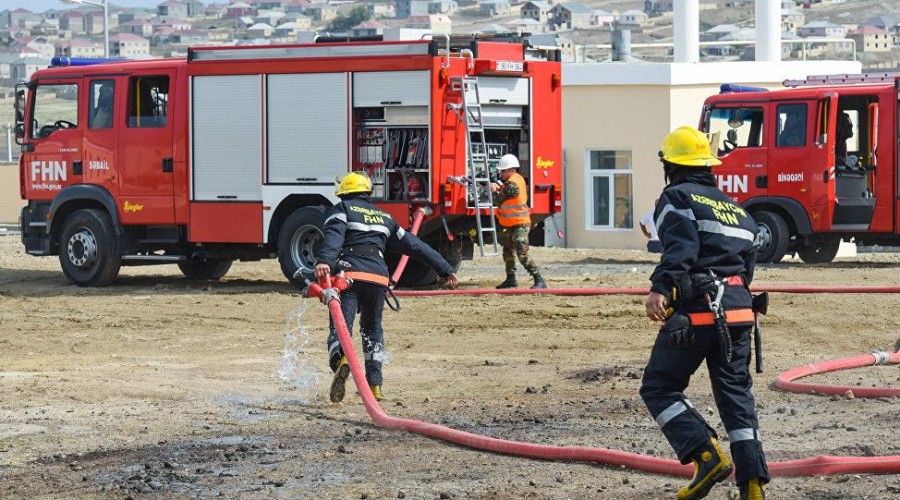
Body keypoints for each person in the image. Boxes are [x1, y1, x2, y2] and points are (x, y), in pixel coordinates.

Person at [640, 126, 768, 500]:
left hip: (698, 313)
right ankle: (754, 485)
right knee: (736, 397)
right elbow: (746, 271)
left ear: (670, 165)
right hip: (741, 314)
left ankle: (706, 455)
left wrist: (660, 288)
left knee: (659, 387)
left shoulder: (676, 197)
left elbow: (680, 248)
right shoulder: (739, 212)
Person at [315, 172, 459, 403]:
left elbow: (333, 238)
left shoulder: (342, 209)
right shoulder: (384, 217)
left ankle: (341, 361)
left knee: (341, 326)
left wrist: (324, 261)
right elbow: (415, 245)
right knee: (372, 330)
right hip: (378, 280)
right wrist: (444, 268)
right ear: (367, 192)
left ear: (344, 192)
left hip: (348, 276)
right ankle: (374, 386)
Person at [489, 154, 547, 289]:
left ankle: (539, 280)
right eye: (501, 171)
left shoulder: (512, 184)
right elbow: (508, 195)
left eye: (503, 171)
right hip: (511, 223)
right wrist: (500, 189)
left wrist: (493, 191)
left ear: (512, 170)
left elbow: (497, 200)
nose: (501, 173)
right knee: (508, 251)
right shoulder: (516, 180)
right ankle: (511, 279)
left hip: (520, 223)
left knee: (521, 252)